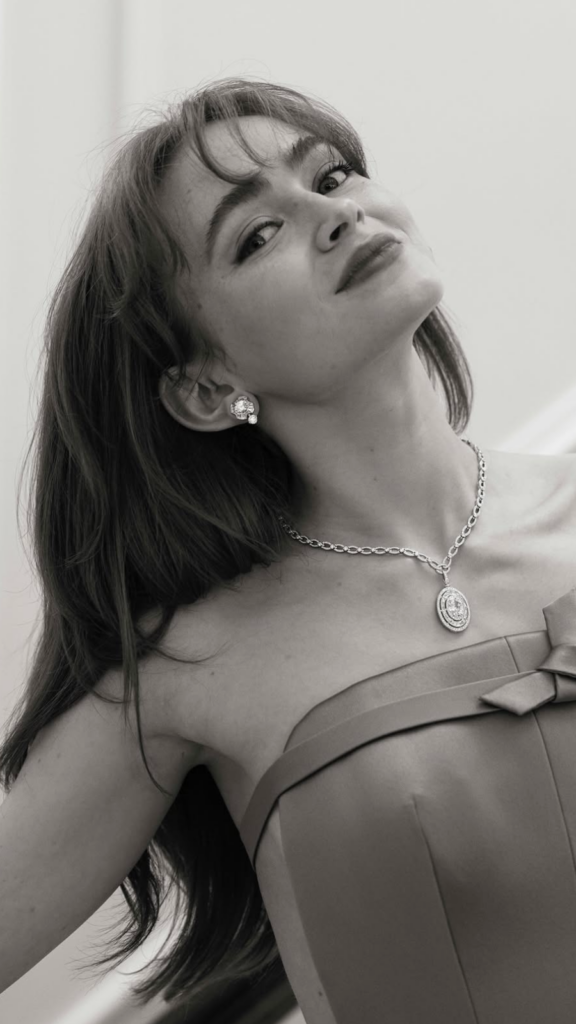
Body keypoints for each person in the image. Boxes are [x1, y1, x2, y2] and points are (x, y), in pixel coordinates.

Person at [1, 76, 575, 1024]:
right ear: (203, 387)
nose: (334, 214)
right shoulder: (190, 667)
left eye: (333, 176)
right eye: (257, 234)